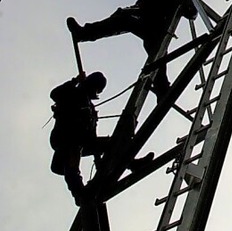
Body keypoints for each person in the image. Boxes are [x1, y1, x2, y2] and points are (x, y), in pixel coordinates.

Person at [66, 0, 195, 96]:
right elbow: (141, 7)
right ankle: (84, 33)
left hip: (156, 33)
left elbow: (192, 13)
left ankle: (162, 89)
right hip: (147, 27)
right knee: (123, 22)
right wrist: (125, 11)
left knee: (158, 59)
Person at [49, 72, 154, 204]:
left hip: (82, 140)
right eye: (96, 89)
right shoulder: (74, 94)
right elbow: (55, 94)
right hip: (66, 138)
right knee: (72, 161)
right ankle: (79, 193)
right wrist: (75, 80)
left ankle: (132, 163)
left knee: (113, 143)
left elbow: (92, 136)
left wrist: (98, 157)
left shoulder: (90, 109)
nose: (96, 92)